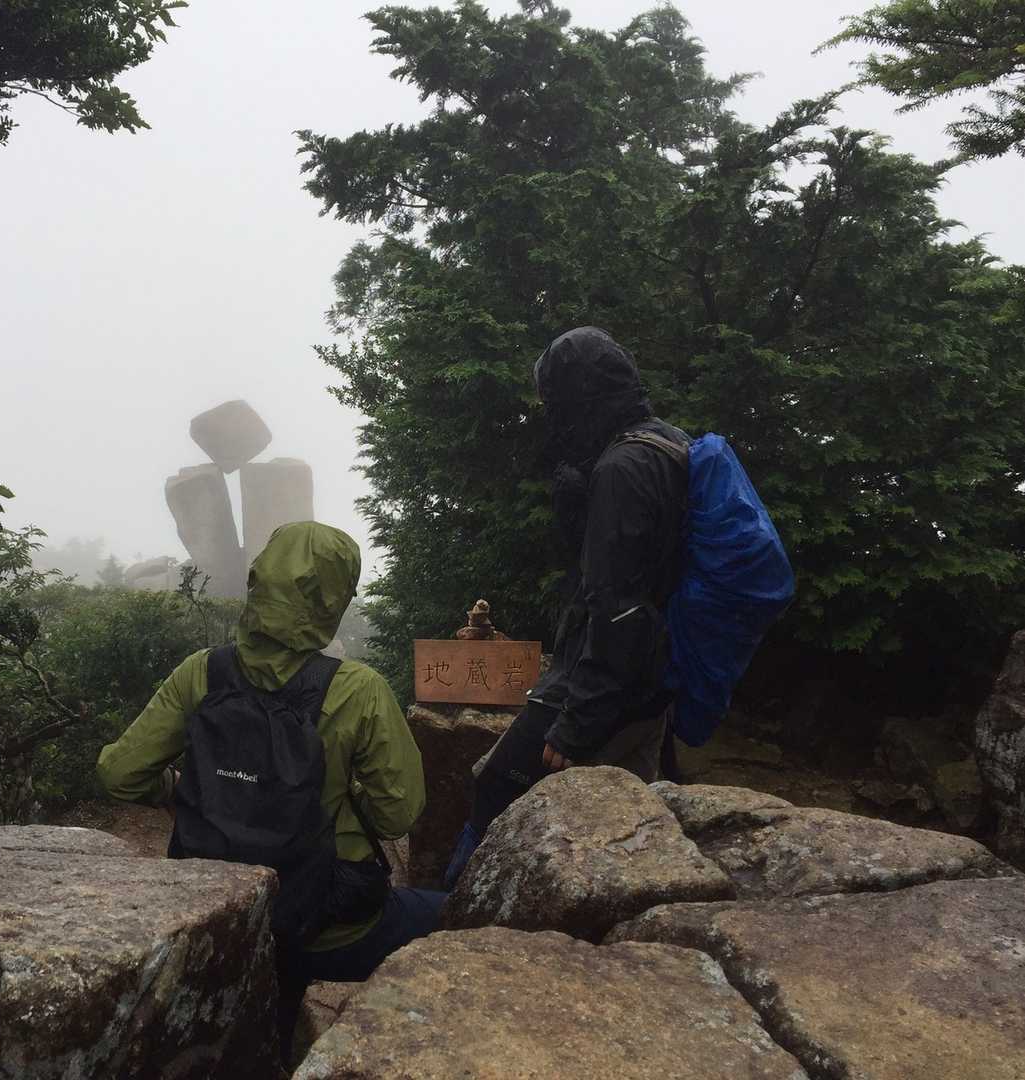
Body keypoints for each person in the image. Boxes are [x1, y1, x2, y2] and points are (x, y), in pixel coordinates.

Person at [96, 521, 443, 1050]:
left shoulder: (201, 672)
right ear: (334, 599)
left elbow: (119, 774)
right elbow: (399, 814)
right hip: (327, 927)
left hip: (217, 917)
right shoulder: (359, 689)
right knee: (448, 912)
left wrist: (174, 789)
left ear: (260, 581)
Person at [444, 326, 691, 888]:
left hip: (601, 684)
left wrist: (577, 721)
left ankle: (457, 915)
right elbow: (647, 566)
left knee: (495, 788)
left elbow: (619, 608)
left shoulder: (622, 468)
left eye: (554, 401)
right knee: (625, 819)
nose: (552, 417)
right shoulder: (666, 443)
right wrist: (581, 517)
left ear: (578, 396)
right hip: (650, 680)